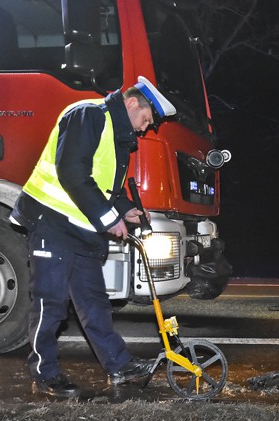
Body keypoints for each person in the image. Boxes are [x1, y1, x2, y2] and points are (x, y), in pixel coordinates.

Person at [10, 76, 177, 398]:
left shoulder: (117, 134)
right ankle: (45, 373)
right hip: (53, 223)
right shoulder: (89, 115)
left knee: (94, 305)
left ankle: (119, 365)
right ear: (131, 104)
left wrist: (125, 209)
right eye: (146, 120)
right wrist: (108, 218)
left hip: (82, 230)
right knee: (51, 304)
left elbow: (103, 185)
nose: (145, 129)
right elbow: (71, 172)